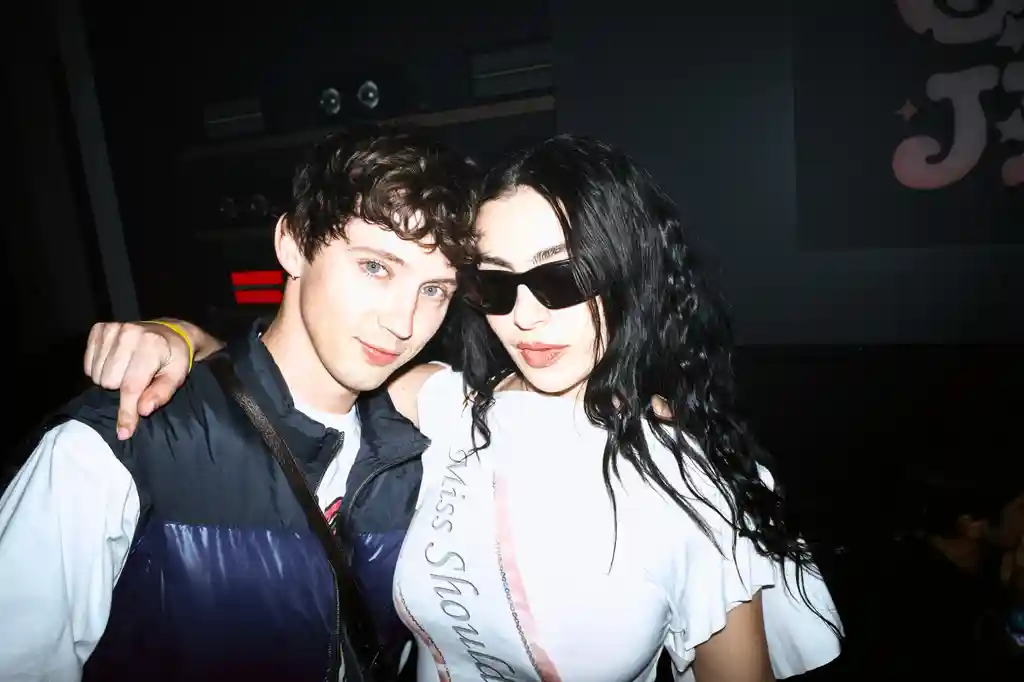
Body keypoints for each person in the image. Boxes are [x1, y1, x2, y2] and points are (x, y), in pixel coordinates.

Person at [76, 135, 843, 681]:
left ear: (626, 272)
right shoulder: (448, 408)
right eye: (496, 284)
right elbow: (294, 373)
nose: (526, 317)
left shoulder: (686, 481)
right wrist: (181, 337)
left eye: (560, 279)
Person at [0, 127, 478, 682]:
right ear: (293, 244)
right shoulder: (118, 445)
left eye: (434, 290)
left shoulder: (419, 447)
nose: (403, 322)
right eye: (376, 267)